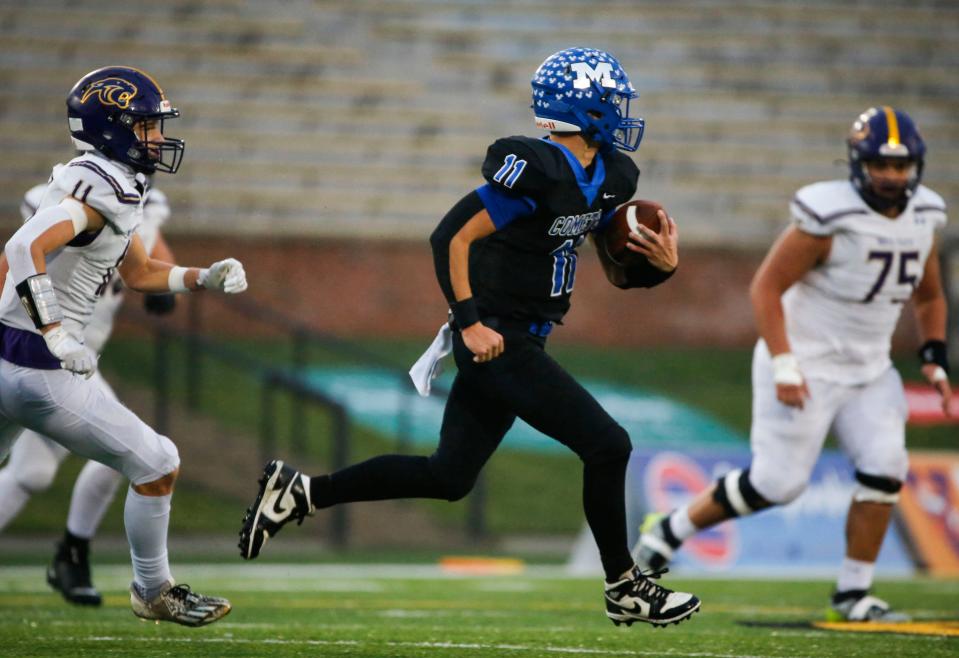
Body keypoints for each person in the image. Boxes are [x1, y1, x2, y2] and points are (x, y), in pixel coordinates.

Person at [238, 47, 702, 628]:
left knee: (448, 477)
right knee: (608, 445)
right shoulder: (536, 167)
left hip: (524, 337)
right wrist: (470, 322)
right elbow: (450, 238)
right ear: (581, 107)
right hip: (497, 338)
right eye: (611, 99)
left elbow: (613, 267)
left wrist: (660, 265)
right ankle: (624, 585)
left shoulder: (611, 175)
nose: (620, 110)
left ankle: (301, 492)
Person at [634, 106, 951, 622]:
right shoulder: (830, 216)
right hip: (806, 360)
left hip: (870, 368)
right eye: (881, 165)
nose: (892, 177)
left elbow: (931, 296)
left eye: (901, 166)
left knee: (887, 469)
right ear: (858, 162)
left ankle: (854, 592)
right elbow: (766, 287)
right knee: (778, 485)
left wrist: (933, 355)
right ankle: (670, 530)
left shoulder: (925, 216)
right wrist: (784, 362)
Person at [0, 66, 249, 626]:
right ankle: (153, 589)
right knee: (156, 461)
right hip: (38, 369)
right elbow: (21, 249)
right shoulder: (100, 187)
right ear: (111, 127)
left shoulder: (113, 181)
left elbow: (137, 272)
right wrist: (56, 332)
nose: (157, 138)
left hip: (9, 357)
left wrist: (201, 276)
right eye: (145, 125)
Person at [0, 180, 177, 607]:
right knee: (142, 457)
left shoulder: (139, 202)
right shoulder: (72, 193)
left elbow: (151, 249)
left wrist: (170, 279)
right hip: (38, 351)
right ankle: (76, 554)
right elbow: (17, 257)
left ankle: (72, 554)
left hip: (74, 358)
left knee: (33, 473)